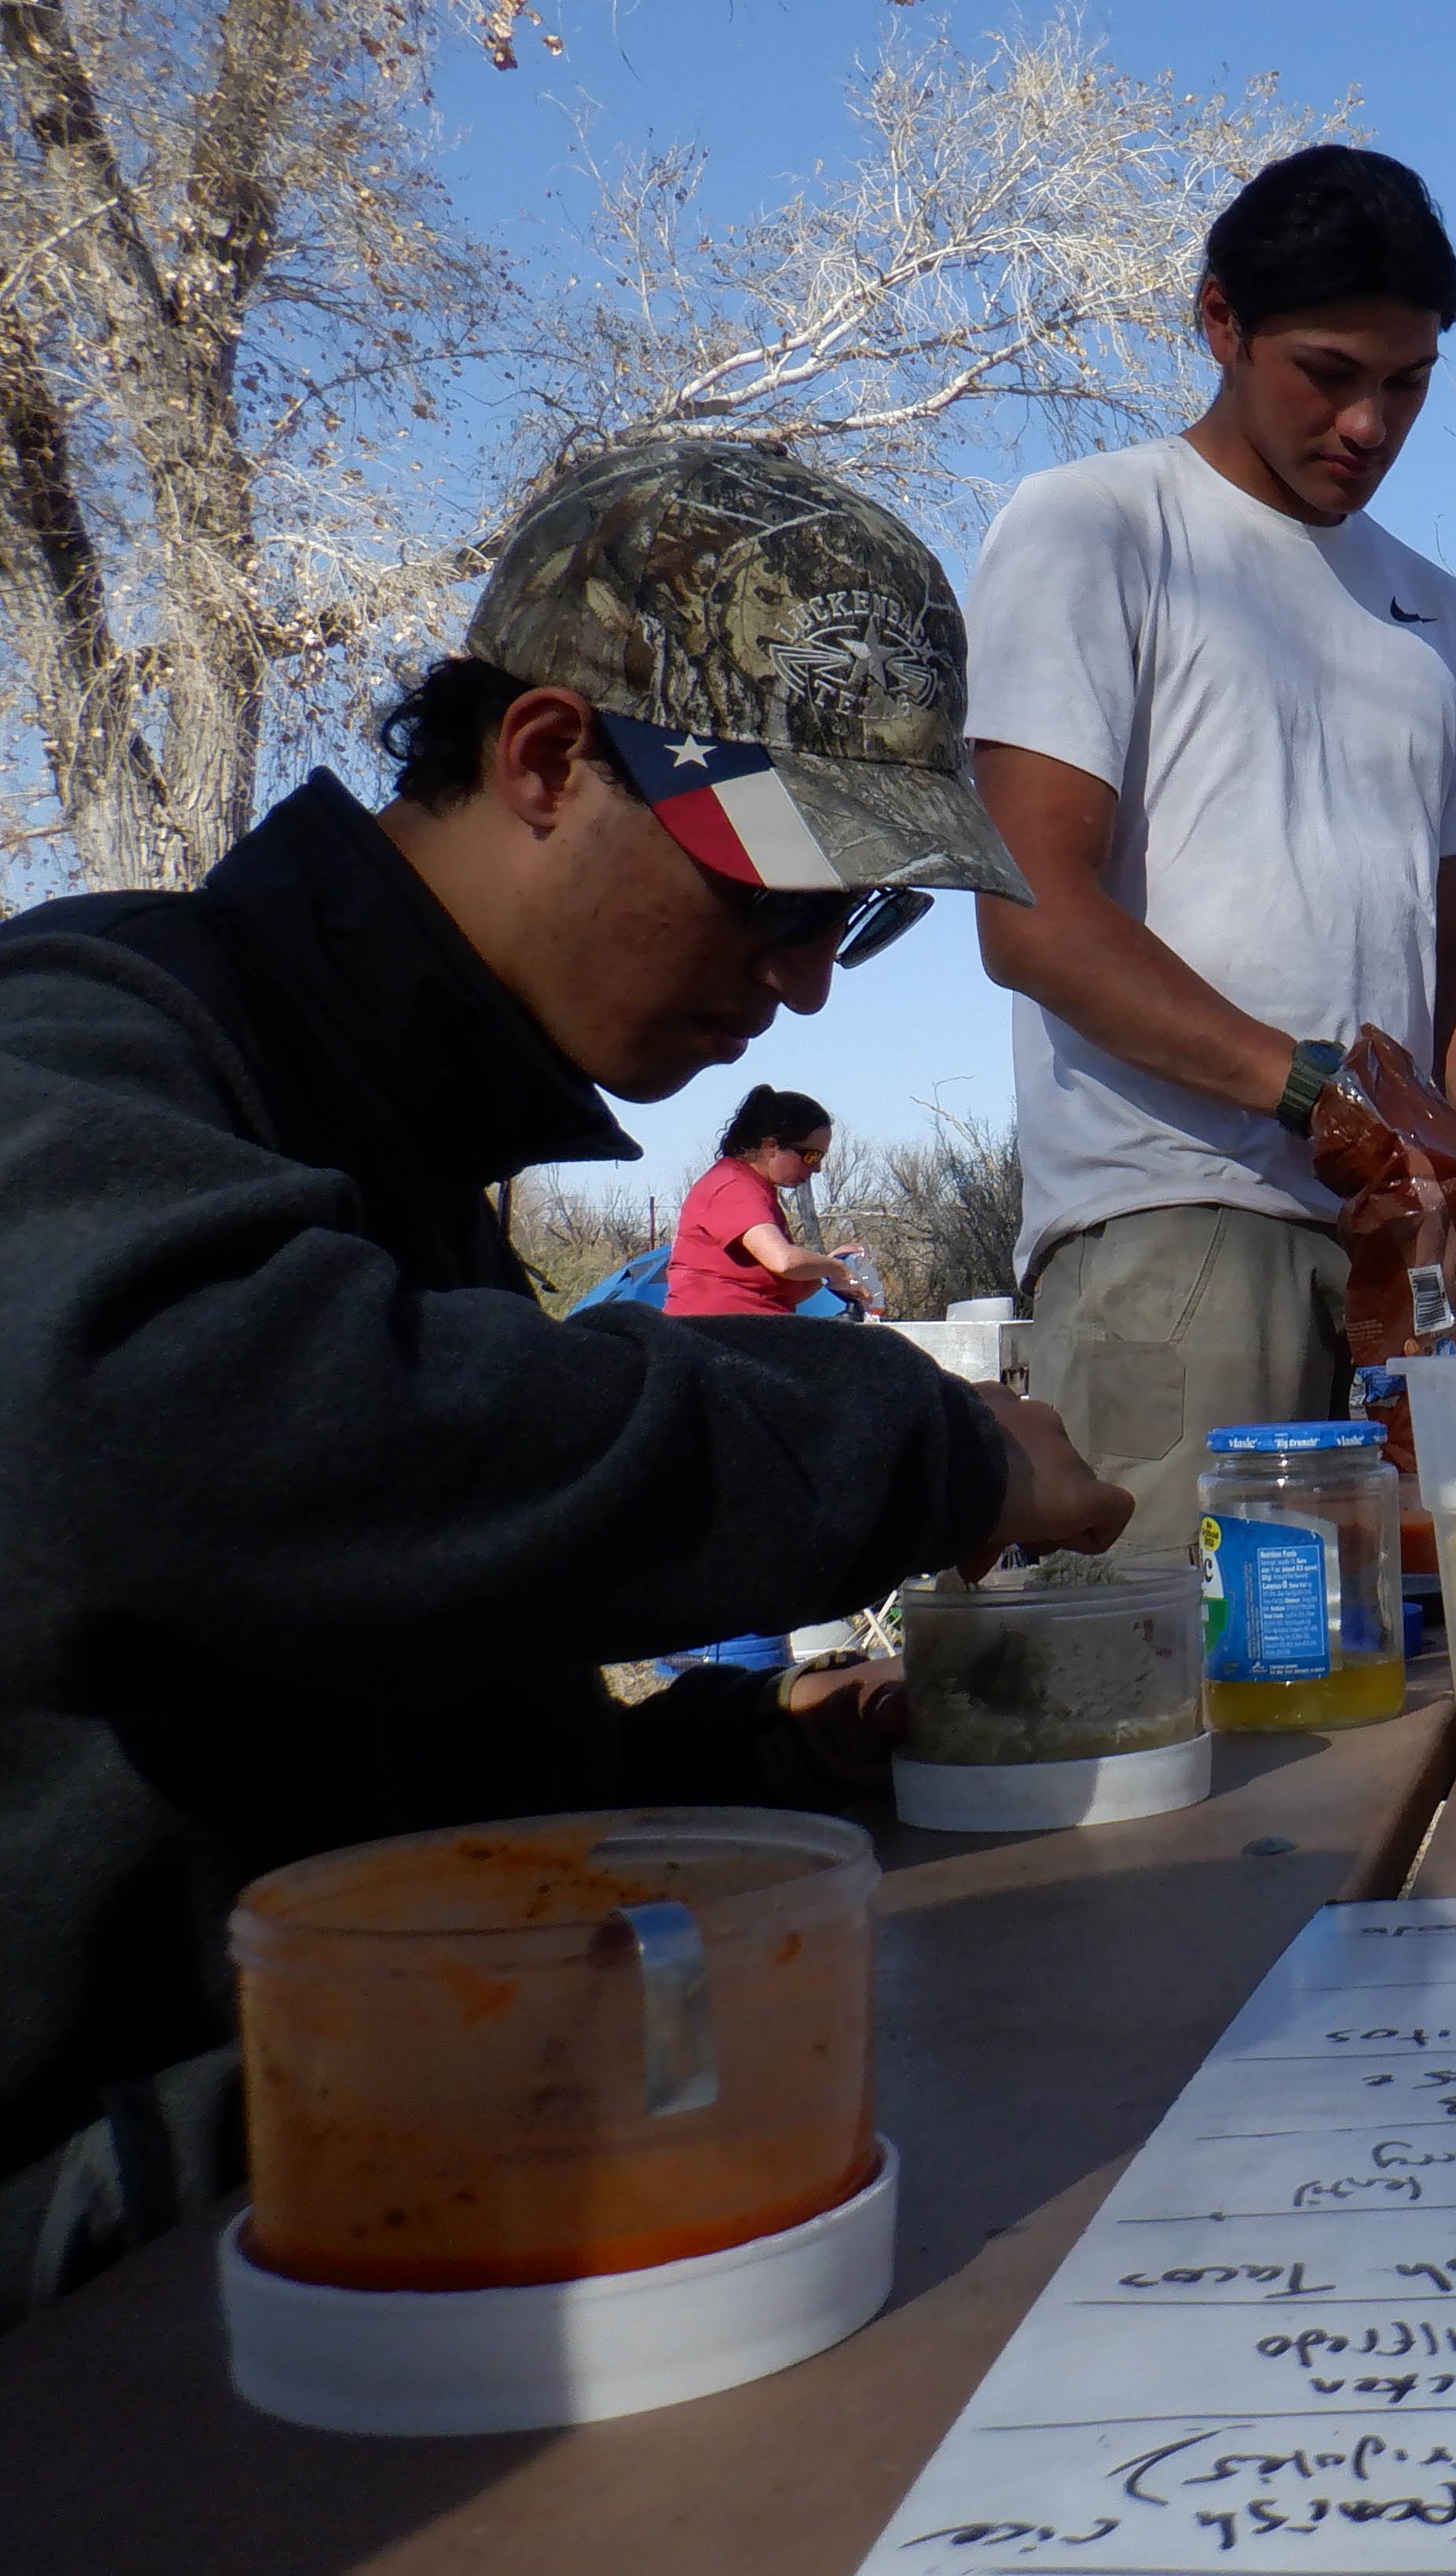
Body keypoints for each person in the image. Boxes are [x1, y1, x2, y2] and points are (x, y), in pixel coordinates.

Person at [0, 438, 1133, 2320]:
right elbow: (200, 1453)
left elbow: (368, 1777)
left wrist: (754, 1747)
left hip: (368, 2157)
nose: (806, 980)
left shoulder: (415, 1159)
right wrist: (922, 1438)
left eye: (859, 918)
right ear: (543, 759)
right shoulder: (95, 1035)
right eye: (782, 892)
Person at [967, 145, 1456, 1556]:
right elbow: (1029, 914)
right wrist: (1322, 1105)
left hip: (1411, 1268)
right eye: (1328, 372)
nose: (1370, 422)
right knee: (1163, 1721)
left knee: (1399, 1705)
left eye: (1409, 382)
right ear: (1218, 324)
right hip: (1177, 1227)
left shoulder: (1434, 611)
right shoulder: (1093, 526)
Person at [669, 1084, 874, 1317]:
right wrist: (837, 1269)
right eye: (811, 1156)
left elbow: (781, 1292)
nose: (817, 1168)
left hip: (746, 1328)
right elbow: (783, 1261)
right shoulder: (732, 1186)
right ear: (771, 1147)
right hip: (712, 1334)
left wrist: (829, 1269)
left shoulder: (756, 1189)